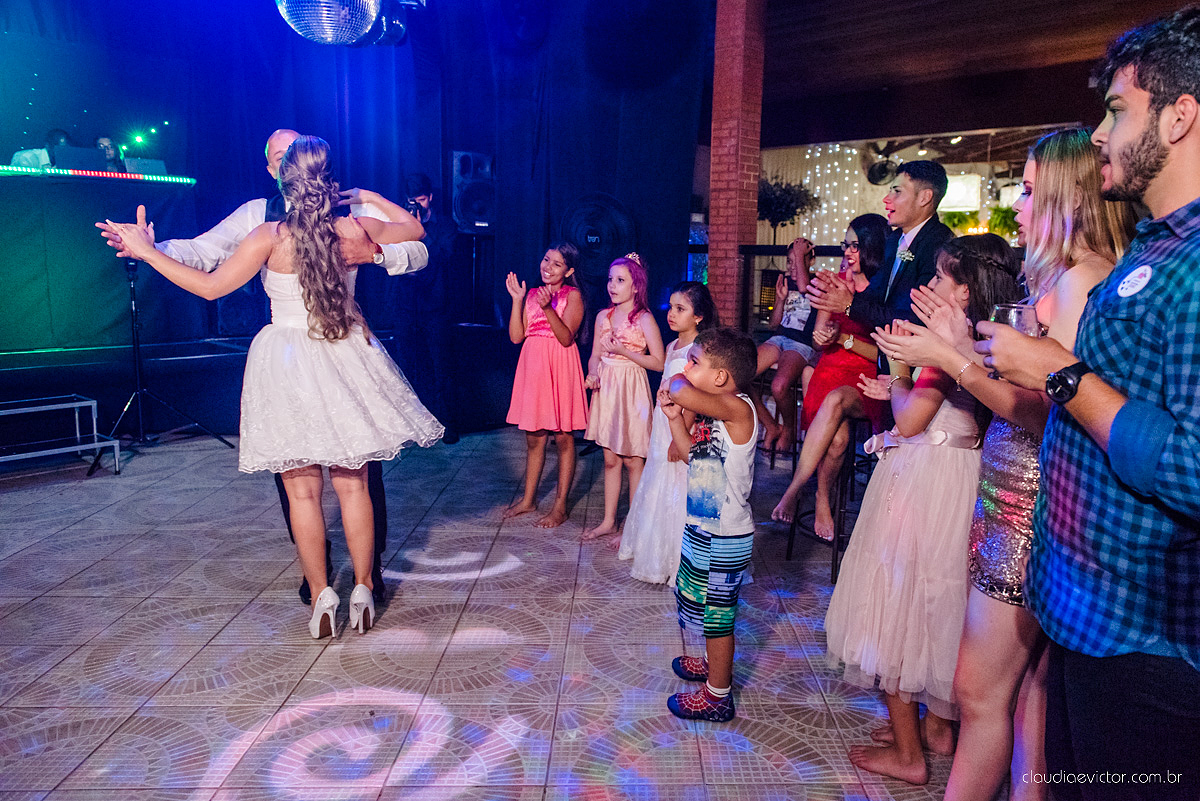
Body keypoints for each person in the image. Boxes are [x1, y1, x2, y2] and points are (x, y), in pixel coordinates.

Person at [977, 9, 1200, 799]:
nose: (1099, 133)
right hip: (1085, 612)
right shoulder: (1153, 244)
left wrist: (1061, 373)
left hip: (1148, 639)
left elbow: (1194, 467)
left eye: (1117, 110)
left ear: (1180, 115)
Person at [875, 129, 1136, 801]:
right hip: (1013, 497)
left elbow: (1040, 413)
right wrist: (958, 344)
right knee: (1027, 703)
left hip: (1028, 507)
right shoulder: (1069, 278)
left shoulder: (1081, 281)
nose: (1017, 207)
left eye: (1026, 190)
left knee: (980, 692)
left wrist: (953, 353)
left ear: (1065, 196)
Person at [104, 136, 444, 639]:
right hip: (345, 352)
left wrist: (148, 255)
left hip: (285, 361)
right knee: (354, 485)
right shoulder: (354, 226)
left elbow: (210, 285)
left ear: (282, 178)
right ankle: (365, 589)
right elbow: (415, 227)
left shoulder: (267, 234)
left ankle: (322, 595)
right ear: (328, 179)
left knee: (301, 492)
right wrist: (370, 196)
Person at [825, 235, 1023, 786]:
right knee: (940, 603)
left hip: (924, 480)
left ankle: (909, 754)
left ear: (962, 291)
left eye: (939, 278)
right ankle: (937, 729)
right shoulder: (983, 342)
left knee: (898, 603)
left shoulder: (940, 347)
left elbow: (911, 419)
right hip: (962, 474)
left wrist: (900, 378)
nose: (929, 285)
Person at [769, 213, 890, 536]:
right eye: (845, 245)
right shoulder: (833, 281)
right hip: (830, 369)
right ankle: (822, 497)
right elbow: (817, 338)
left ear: (873, 247)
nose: (848, 253)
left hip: (867, 379)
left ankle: (794, 491)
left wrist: (845, 339)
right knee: (837, 442)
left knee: (836, 402)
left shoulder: (884, 291)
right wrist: (823, 338)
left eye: (856, 245)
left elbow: (885, 354)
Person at [659, 327, 757, 722]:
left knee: (718, 619)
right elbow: (690, 457)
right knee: (702, 606)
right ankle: (710, 663)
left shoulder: (739, 409)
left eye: (695, 361)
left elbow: (680, 387)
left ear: (719, 378)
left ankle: (718, 696)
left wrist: (677, 384)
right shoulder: (713, 412)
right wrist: (673, 421)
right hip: (703, 525)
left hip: (727, 535)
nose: (686, 365)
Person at [619, 281, 718, 584]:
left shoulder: (697, 348)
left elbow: (694, 392)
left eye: (681, 309)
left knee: (680, 485)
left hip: (681, 424)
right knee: (659, 480)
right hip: (665, 421)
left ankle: (681, 559)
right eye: (671, 307)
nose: (672, 314)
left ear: (698, 316)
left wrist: (682, 432)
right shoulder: (674, 345)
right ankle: (655, 548)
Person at [502, 243, 589, 528]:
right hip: (534, 364)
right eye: (545, 259)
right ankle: (528, 500)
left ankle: (560, 506)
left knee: (563, 437)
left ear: (569, 270)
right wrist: (517, 300)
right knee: (534, 436)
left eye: (556, 263)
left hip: (560, 362)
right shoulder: (530, 295)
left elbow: (566, 338)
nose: (547, 267)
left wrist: (548, 307)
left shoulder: (573, 295)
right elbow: (516, 337)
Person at [582, 254, 665, 541]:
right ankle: (608, 521)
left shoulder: (644, 319)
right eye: (610, 279)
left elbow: (658, 362)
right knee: (610, 458)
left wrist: (625, 352)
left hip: (631, 387)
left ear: (636, 286)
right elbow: (594, 355)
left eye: (620, 280)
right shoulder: (602, 317)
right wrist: (593, 373)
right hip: (608, 387)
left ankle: (634, 523)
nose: (612, 285)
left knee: (632, 459)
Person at [390, 172, 459, 443]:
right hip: (406, 304)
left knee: (441, 367)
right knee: (407, 366)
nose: (417, 205)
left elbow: (443, 257)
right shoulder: (398, 224)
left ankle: (447, 425)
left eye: (420, 199)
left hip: (435, 306)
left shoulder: (446, 226)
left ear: (430, 197)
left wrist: (420, 232)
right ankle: (412, 428)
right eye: (411, 200)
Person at [750, 237, 816, 453]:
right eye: (789, 261)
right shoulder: (785, 283)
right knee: (740, 376)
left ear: (811, 261)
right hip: (779, 339)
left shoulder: (817, 283)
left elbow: (806, 289)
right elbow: (773, 324)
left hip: (801, 344)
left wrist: (799, 257)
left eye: (797, 260)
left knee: (779, 386)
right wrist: (779, 299)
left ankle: (789, 429)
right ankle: (771, 425)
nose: (792, 266)